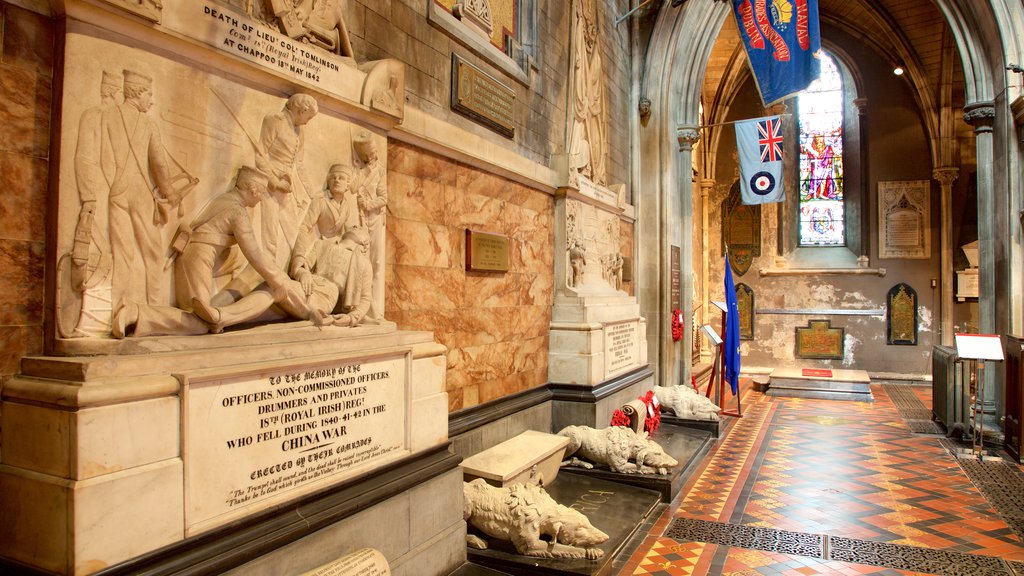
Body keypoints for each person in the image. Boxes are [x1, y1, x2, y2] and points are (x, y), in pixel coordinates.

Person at [174, 167, 312, 333]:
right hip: (197, 257)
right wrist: (279, 281)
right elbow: (255, 255)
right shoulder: (237, 211)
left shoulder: (227, 201)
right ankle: (140, 315)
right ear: (253, 189)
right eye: (261, 192)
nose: (261, 199)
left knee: (203, 317)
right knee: (195, 322)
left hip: (201, 256)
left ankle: (220, 314)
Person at [100, 69, 178, 309]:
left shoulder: (108, 116)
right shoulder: (147, 123)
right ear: (137, 93)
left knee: (122, 254)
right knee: (153, 253)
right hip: (140, 192)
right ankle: (156, 309)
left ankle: (118, 310)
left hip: (116, 191)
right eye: (149, 95)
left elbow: (103, 157)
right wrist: (169, 192)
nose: (151, 100)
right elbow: (158, 162)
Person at [255, 93, 319, 267]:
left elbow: (299, 164)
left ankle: (298, 268)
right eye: (308, 117)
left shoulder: (299, 130)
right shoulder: (275, 120)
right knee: (270, 233)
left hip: (287, 185)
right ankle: (269, 272)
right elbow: (260, 155)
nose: (307, 122)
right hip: (269, 185)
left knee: (293, 228)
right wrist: (274, 181)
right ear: (302, 110)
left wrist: (312, 191)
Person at [290, 163, 360, 280]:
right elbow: (305, 227)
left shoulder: (346, 206)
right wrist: (299, 258)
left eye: (341, 178)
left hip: (334, 249)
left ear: (348, 184)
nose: (336, 180)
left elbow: (347, 233)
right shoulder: (321, 200)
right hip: (317, 247)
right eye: (333, 177)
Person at [294, 227, 373, 327]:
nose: (356, 227)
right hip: (308, 285)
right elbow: (303, 265)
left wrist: (351, 318)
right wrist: (303, 273)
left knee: (279, 287)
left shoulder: (364, 264)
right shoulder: (321, 244)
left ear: (365, 243)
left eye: (360, 229)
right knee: (278, 285)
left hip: (328, 295)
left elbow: (365, 298)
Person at [353, 130, 387, 321]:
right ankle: (362, 308)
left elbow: (384, 197)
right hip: (360, 222)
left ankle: (376, 309)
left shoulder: (380, 171)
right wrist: (364, 172)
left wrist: (368, 205)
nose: (373, 156)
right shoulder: (360, 171)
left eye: (374, 151)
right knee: (362, 264)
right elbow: (352, 187)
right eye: (369, 153)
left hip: (374, 220)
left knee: (376, 263)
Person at [803, 134, 837, 200]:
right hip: (816, 166)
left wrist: (828, 161)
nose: (820, 142)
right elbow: (809, 154)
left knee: (824, 179)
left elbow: (830, 154)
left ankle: (822, 193)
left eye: (821, 140)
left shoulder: (827, 148)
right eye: (818, 140)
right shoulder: (812, 148)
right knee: (814, 178)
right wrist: (813, 153)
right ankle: (811, 193)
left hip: (825, 165)